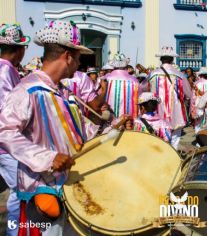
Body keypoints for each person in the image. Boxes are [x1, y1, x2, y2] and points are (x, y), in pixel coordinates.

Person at [0, 20, 130, 235]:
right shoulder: (29, 90)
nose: (79, 63)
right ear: (67, 56)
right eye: (78, 57)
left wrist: (114, 128)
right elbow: (4, 131)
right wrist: (48, 158)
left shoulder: (62, 92)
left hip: (69, 189)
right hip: (43, 194)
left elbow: (81, 135)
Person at [0, 23, 30, 236]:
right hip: (6, 144)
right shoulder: (5, 70)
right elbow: (7, 110)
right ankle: (14, 232)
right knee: (19, 191)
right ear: (20, 50)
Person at [142, 46, 192, 150]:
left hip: (156, 108)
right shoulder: (180, 75)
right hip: (176, 110)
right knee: (175, 138)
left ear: (161, 59)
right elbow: (189, 94)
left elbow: (142, 89)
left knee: (157, 135)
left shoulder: (153, 74)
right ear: (172, 60)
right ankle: (173, 156)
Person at [105, 53, 141, 119]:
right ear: (126, 66)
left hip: (109, 118)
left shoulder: (106, 79)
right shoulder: (134, 80)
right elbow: (139, 98)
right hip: (129, 120)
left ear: (113, 66)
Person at [191, 67, 207, 133]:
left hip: (199, 105)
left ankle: (198, 136)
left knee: (198, 123)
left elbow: (193, 97)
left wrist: (193, 108)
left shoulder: (197, 84)